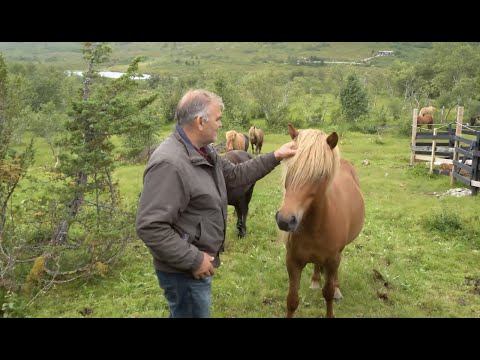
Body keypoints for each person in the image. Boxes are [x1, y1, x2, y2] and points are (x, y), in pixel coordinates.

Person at [135, 89, 297, 318]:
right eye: (218, 119)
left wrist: (275, 156)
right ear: (201, 122)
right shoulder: (170, 164)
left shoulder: (203, 152)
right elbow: (150, 226)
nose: (221, 125)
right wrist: (194, 259)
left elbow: (235, 175)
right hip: (184, 271)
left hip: (192, 266)